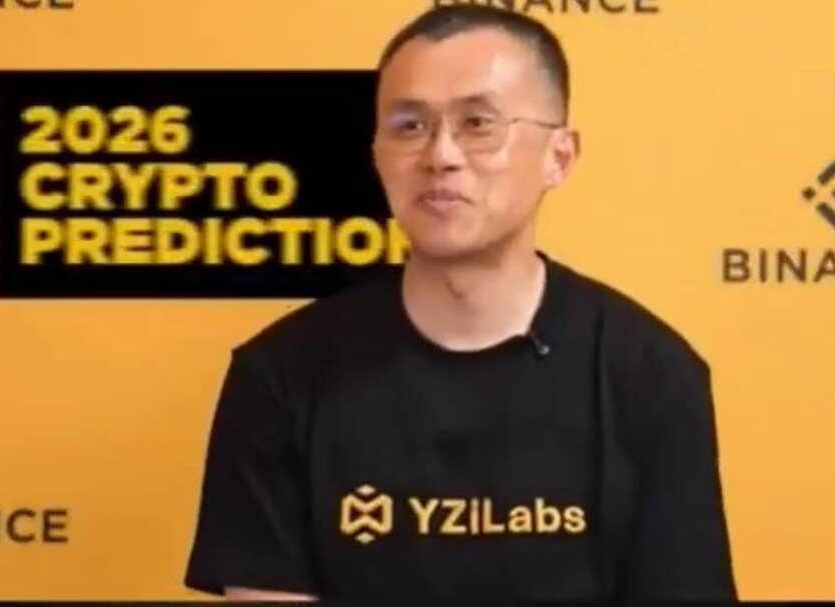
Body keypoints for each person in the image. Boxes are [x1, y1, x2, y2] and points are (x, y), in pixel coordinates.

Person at [183, 4, 736, 602]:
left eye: (478, 123)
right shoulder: (280, 376)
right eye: (409, 126)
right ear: (376, 155)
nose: (440, 155)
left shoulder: (650, 375)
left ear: (560, 156)